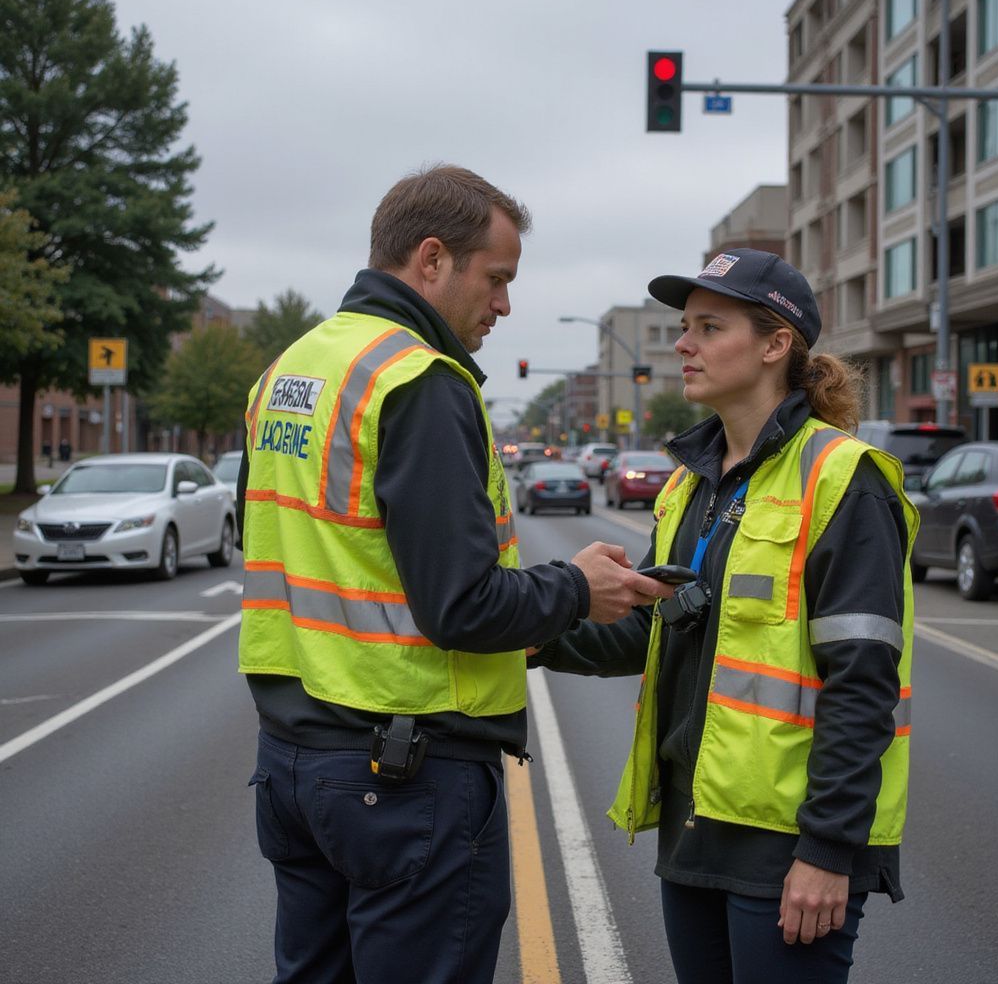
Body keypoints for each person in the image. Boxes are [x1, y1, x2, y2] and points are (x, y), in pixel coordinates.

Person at [235, 163, 672, 984]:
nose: (504, 305)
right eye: (497, 278)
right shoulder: (417, 380)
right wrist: (579, 587)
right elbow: (462, 606)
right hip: (404, 774)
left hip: (292, 765)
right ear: (431, 259)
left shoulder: (289, 372)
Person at [531, 249, 918, 984]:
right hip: (696, 819)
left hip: (789, 841)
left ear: (775, 346)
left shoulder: (843, 479)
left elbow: (864, 683)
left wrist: (829, 850)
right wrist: (533, 633)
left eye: (709, 327)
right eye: (686, 327)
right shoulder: (690, 485)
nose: (684, 344)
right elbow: (652, 630)